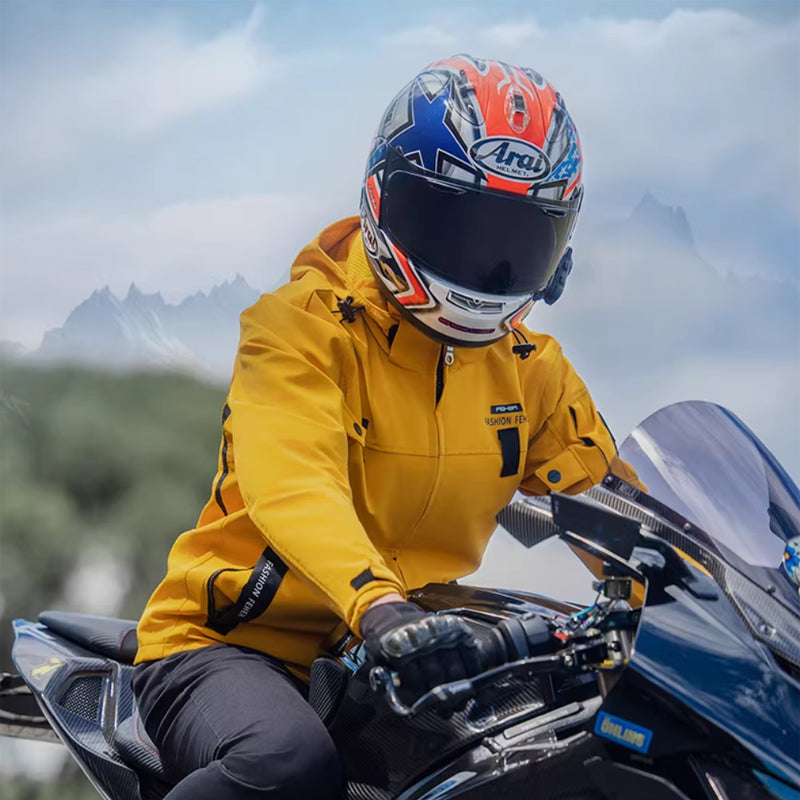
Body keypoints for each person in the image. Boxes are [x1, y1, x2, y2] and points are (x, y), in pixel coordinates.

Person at [133, 54, 639, 800]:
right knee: (285, 765)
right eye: (451, 222)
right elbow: (296, 486)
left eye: (513, 240)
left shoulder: (533, 370)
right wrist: (379, 606)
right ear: (382, 197)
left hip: (410, 651)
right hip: (236, 645)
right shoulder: (298, 330)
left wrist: (718, 602)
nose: (481, 265)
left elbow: (622, 515)